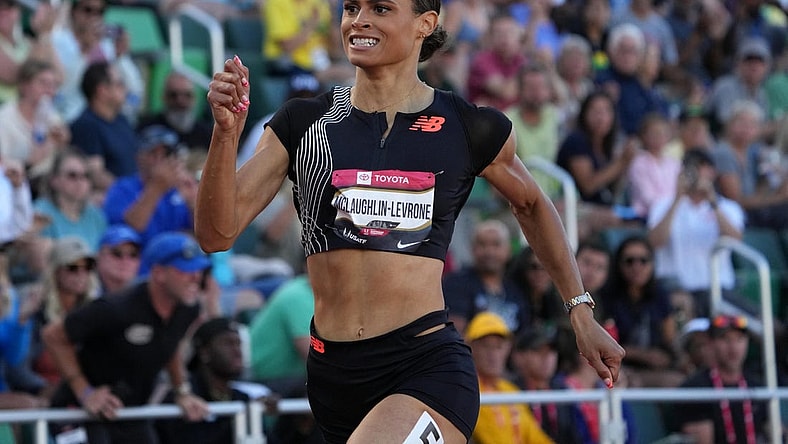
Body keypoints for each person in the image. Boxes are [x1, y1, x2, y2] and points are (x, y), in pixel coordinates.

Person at [196, 1, 625, 443]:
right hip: (333, 376)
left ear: (425, 24)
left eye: (381, 8)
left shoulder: (467, 126)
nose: (359, 19)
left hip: (425, 365)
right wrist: (224, 135)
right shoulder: (302, 122)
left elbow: (534, 205)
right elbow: (216, 233)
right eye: (352, 7)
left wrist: (580, 311)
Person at [41, 231, 213, 444]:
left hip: (131, 412)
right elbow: (53, 335)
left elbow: (171, 343)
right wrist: (85, 391)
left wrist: (182, 392)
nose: (196, 277)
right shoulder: (117, 307)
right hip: (81, 412)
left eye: (198, 270)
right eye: (186, 270)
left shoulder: (189, 308)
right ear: (159, 273)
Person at [647, 148, 744, 318]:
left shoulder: (728, 208)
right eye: (691, 167)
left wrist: (713, 202)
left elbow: (734, 241)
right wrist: (677, 198)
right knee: (682, 308)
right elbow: (655, 242)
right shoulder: (662, 205)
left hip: (718, 288)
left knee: (768, 326)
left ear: (713, 172)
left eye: (701, 167)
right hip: (676, 288)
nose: (696, 173)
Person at [672, 314, 768, 443]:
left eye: (739, 339)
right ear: (710, 344)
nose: (733, 347)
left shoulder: (757, 387)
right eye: (725, 339)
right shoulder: (695, 390)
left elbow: (774, 430)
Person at [155, 317, 250, 444]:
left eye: (239, 344)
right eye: (228, 344)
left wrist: (257, 412)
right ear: (205, 352)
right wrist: (236, 421)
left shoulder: (242, 398)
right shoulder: (182, 398)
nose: (237, 351)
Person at [465, 311, 554, 444]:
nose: (493, 354)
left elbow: (535, 437)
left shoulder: (510, 390)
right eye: (486, 346)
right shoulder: (467, 392)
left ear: (507, 349)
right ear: (471, 348)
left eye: (499, 347)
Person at [102, 124, 191, 246]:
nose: (160, 160)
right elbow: (130, 229)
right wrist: (157, 187)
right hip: (135, 260)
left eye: (166, 154)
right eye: (153, 154)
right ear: (139, 157)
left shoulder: (179, 189)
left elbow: (201, 231)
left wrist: (193, 197)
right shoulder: (122, 188)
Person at [443, 219, 528, 334]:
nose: (489, 252)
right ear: (472, 249)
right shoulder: (455, 284)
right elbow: (455, 332)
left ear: (509, 250)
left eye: (496, 244)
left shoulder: (516, 288)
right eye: (482, 244)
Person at [69, 60, 139, 191]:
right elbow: (96, 174)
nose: (125, 89)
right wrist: (127, 194)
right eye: (119, 84)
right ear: (102, 91)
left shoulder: (122, 120)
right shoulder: (86, 126)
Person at [510, 326, 585, 443]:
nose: (546, 357)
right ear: (519, 356)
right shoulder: (510, 391)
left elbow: (576, 436)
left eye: (551, 351)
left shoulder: (563, 391)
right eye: (538, 351)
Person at [137, 71, 213, 153]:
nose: (180, 101)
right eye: (173, 95)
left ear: (194, 98)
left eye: (187, 95)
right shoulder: (147, 128)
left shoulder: (207, 133)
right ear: (164, 97)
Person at [94, 224, 141, 295]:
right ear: (100, 256)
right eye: (117, 253)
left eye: (133, 254)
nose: (125, 260)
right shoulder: (85, 292)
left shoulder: (145, 294)